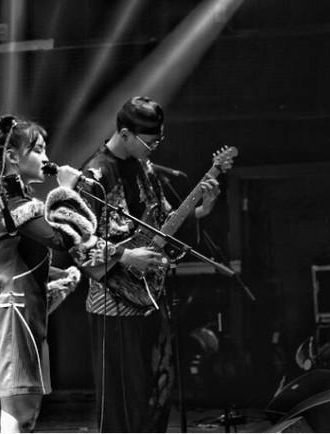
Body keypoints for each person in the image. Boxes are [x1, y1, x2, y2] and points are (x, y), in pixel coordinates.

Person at [0, 114, 158, 433]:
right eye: (38, 150)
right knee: (19, 410)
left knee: (27, 412)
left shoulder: (20, 202)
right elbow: (62, 239)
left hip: (25, 312)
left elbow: (23, 262)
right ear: (12, 157)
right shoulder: (13, 205)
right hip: (13, 313)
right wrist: (65, 191)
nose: (46, 158)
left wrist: (58, 277)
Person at [78, 96, 221, 432]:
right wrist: (126, 256)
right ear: (125, 134)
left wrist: (202, 210)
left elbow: (164, 224)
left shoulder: (145, 169)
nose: (154, 148)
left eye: (158, 141)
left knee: (155, 392)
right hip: (112, 304)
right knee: (122, 401)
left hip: (149, 297)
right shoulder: (94, 176)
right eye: (150, 142)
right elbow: (78, 242)